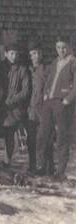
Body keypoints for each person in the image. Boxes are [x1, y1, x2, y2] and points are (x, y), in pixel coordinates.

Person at [36, 36, 76, 181]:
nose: (61, 50)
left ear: (69, 47)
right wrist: (46, 94)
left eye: (64, 47)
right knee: (43, 134)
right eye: (58, 47)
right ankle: (42, 166)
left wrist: (67, 100)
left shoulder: (73, 62)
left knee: (61, 138)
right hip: (49, 103)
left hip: (62, 103)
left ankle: (60, 171)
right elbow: (48, 80)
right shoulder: (55, 62)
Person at [0, 42, 30, 164]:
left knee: (9, 134)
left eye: (16, 54)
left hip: (13, 108)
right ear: (5, 54)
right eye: (11, 53)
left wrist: (12, 100)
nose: (14, 56)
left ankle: (7, 160)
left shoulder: (22, 69)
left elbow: (25, 91)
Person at [27, 40, 53, 175]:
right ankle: (33, 166)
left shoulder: (47, 69)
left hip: (43, 108)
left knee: (45, 139)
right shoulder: (28, 69)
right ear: (30, 56)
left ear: (41, 54)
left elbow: (50, 87)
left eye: (37, 53)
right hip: (31, 109)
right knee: (31, 139)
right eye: (33, 54)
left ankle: (47, 167)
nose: (35, 56)